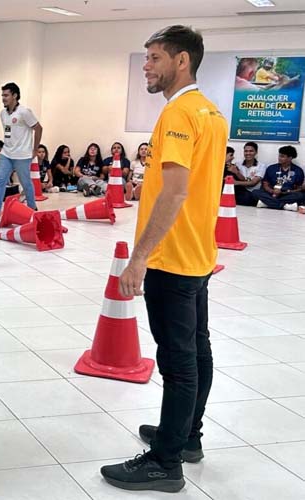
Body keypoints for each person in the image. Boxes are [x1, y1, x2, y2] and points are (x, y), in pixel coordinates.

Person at [100, 25, 228, 493]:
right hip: (197, 251)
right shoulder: (209, 111)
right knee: (198, 348)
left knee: (178, 362)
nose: (146, 67)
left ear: (181, 62)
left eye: (154, 58)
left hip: (172, 257)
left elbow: (174, 193)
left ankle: (165, 462)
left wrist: (139, 258)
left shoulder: (178, 114)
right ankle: (186, 435)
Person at [0, 82, 42, 218]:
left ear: (15, 96)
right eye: (2, 95)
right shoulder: (2, 113)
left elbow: (38, 128)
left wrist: (35, 149)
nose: (3, 98)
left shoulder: (24, 112)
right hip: (6, 153)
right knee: (0, 180)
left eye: (6, 95)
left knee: (25, 183)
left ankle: (32, 208)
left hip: (22, 155)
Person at [254, 145, 305, 211]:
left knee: (301, 195)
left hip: (287, 194)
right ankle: (284, 206)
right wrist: (272, 191)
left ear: (290, 158)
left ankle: (267, 203)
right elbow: (265, 184)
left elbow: (299, 188)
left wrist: (286, 192)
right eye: (279, 156)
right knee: (255, 192)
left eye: (282, 156)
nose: (279, 158)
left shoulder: (298, 170)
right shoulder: (271, 168)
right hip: (271, 193)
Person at [232, 141, 265, 206]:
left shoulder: (261, 166)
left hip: (253, 193)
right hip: (240, 192)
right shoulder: (238, 164)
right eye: (246, 151)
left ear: (256, 152)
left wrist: (236, 182)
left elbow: (253, 183)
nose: (248, 153)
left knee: (251, 196)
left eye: (251, 151)